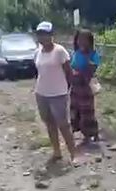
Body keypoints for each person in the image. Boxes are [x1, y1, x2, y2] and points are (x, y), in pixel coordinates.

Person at [34, 21, 77, 164]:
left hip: (58, 94)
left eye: (46, 34)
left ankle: (74, 154)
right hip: (41, 94)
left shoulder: (59, 51)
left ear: (52, 35)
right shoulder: (38, 52)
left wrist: (67, 89)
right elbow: (40, 73)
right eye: (40, 34)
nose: (43, 37)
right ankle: (57, 152)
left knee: (63, 125)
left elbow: (69, 72)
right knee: (50, 124)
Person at [71, 29, 101, 144]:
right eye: (79, 39)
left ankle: (93, 133)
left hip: (86, 87)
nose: (81, 42)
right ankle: (80, 132)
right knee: (75, 110)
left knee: (87, 111)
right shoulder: (76, 53)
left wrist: (88, 63)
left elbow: (93, 69)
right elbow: (72, 67)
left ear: (90, 41)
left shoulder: (94, 55)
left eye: (84, 39)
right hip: (75, 87)